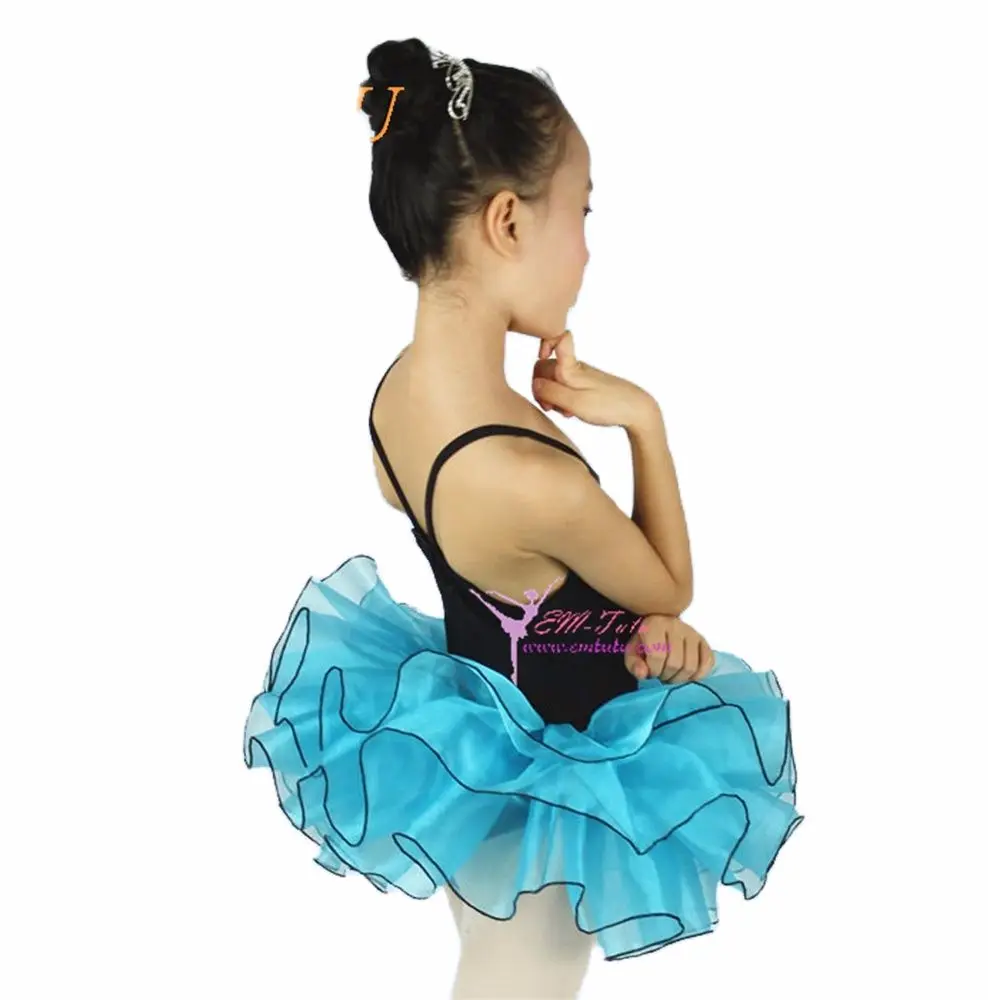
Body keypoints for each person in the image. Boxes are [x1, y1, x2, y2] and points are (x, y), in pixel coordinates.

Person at [243, 38, 803, 1000]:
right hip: (557, 797)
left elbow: (531, 594)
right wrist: (643, 421)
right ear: (507, 221)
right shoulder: (528, 477)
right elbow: (668, 584)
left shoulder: (397, 398)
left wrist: (616, 631)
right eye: (581, 212)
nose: (586, 246)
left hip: (464, 764)